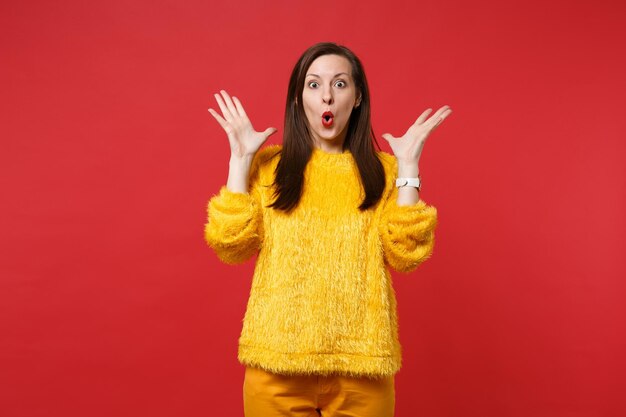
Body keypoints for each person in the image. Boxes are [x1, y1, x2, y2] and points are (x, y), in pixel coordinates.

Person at [205, 42, 452, 417]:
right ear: (298, 97)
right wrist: (239, 164)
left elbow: (407, 253)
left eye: (339, 84)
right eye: (313, 84)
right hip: (276, 366)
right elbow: (230, 245)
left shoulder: (384, 172)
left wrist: (408, 169)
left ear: (356, 98)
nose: (326, 96)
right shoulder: (270, 167)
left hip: (362, 369)